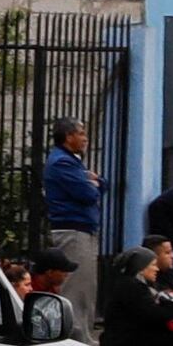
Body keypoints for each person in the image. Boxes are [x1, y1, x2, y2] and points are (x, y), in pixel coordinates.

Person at [37, 120, 105, 313]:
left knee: (86, 287)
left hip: (82, 229)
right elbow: (88, 194)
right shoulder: (63, 162)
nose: (85, 139)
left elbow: (98, 185)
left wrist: (96, 182)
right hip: (74, 231)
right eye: (81, 134)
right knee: (77, 290)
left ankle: (81, 334)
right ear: (69, 137)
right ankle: (75, 336)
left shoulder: (71, 161)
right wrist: (94, 183)